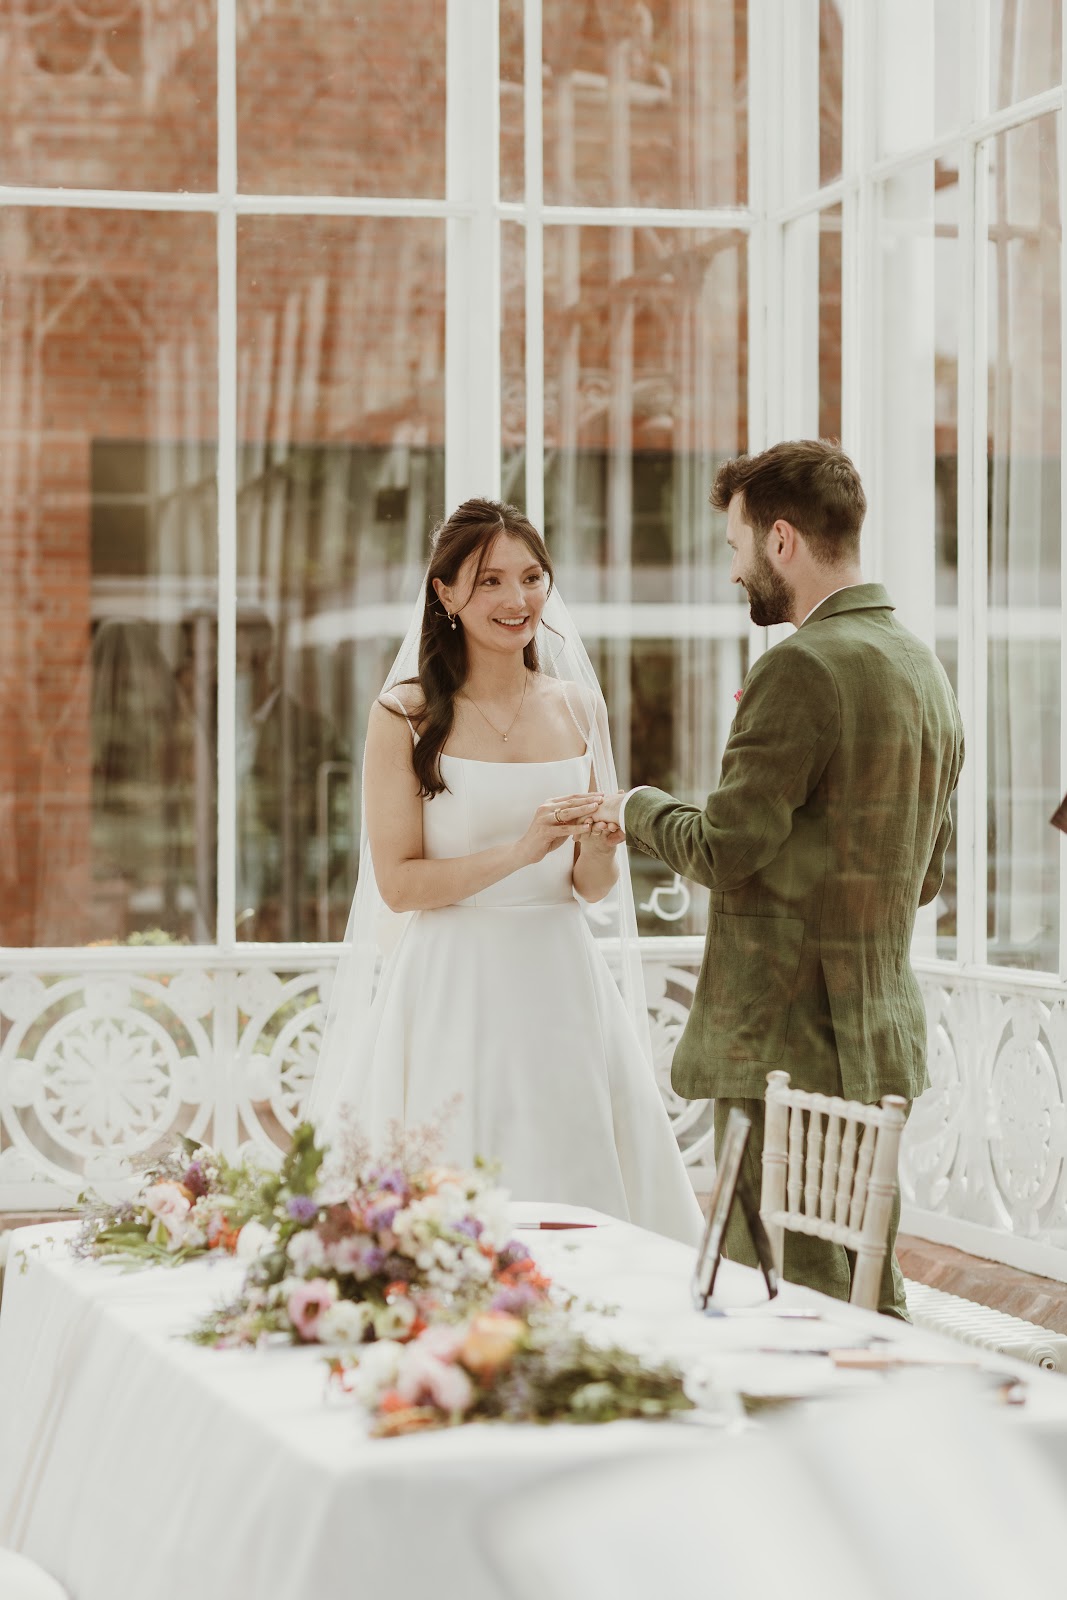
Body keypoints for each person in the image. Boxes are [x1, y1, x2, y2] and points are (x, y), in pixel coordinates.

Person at [592, 441, 964, 1315]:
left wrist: (631, 807)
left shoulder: (799, 666)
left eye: (736, 546)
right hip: (876, 1041)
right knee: (857, 1288)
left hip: (781, 1054)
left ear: (782, 540)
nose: (734, 570)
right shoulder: (923, 668)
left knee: (778, 1306)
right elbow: (922, 879)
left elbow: (724, 848)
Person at [308, 497, 703, 1246]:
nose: (516, 599)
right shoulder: (404, 714)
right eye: (489, 581)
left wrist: (601, 842)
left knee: (577, 1171)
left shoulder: (580, 708)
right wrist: (522, 850)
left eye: (531, 578)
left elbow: (590, 888)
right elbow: (399, 884)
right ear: (445, 593)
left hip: (561, 978)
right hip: (451, 980)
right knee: (450, 1184)